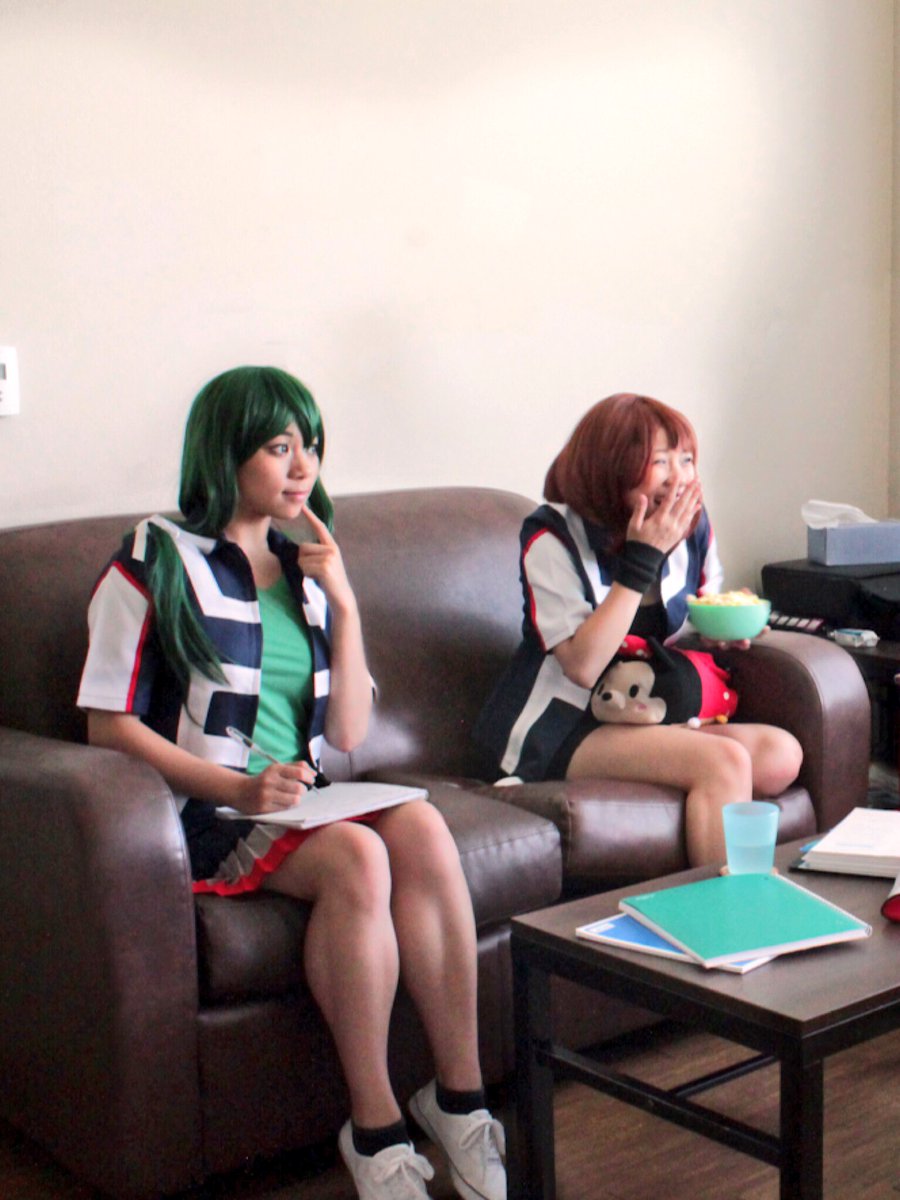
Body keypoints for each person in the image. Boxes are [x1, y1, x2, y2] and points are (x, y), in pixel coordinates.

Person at [77, 366, 506, 1200]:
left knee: (423, 827)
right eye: (280, 447)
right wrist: (236, 788)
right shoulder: (155, 557)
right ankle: (375, 1131)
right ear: (225, 451)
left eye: (310, 446)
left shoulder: (302, 565)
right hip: (207, 811)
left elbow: (347, 734)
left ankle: (460, 1100)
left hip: (301, 800)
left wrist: (344, 605)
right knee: (358, 857)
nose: (303, 465)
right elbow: (107, 725)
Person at [475, 392, 802, 866]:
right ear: (613, 467)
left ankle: (698, 810)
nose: (680, 477)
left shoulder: (690, 526)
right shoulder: (551, 536)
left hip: (644, 711)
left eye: (686, 460)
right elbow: (583, 665)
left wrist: (718, 629)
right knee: (725, 761)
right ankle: (727, 907)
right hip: (566, 723)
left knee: (779, 754)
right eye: (661, 461)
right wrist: (641, 559)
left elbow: (694, 610)